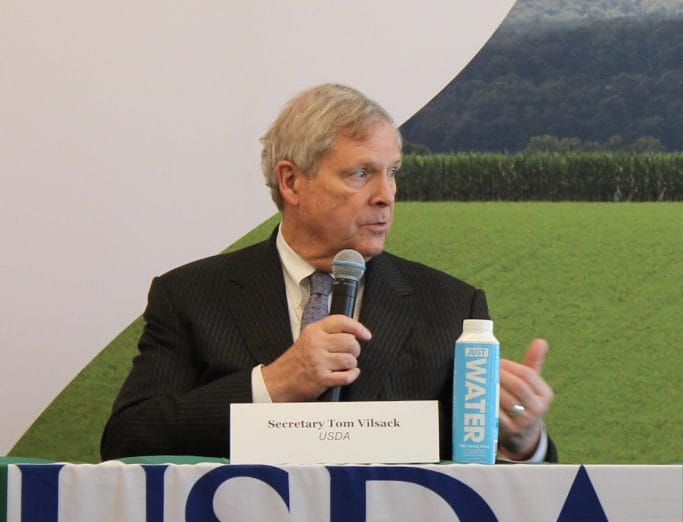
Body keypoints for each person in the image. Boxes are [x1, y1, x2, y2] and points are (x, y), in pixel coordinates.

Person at [101, 83, 555, 462]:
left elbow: (495, 480)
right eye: (361, 174)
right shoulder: (191, 297)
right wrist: (272, 384)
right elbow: (127, 439)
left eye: (392, 173)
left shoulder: (451, 305)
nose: (386, 196)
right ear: (291, 181)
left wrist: (521, 440)